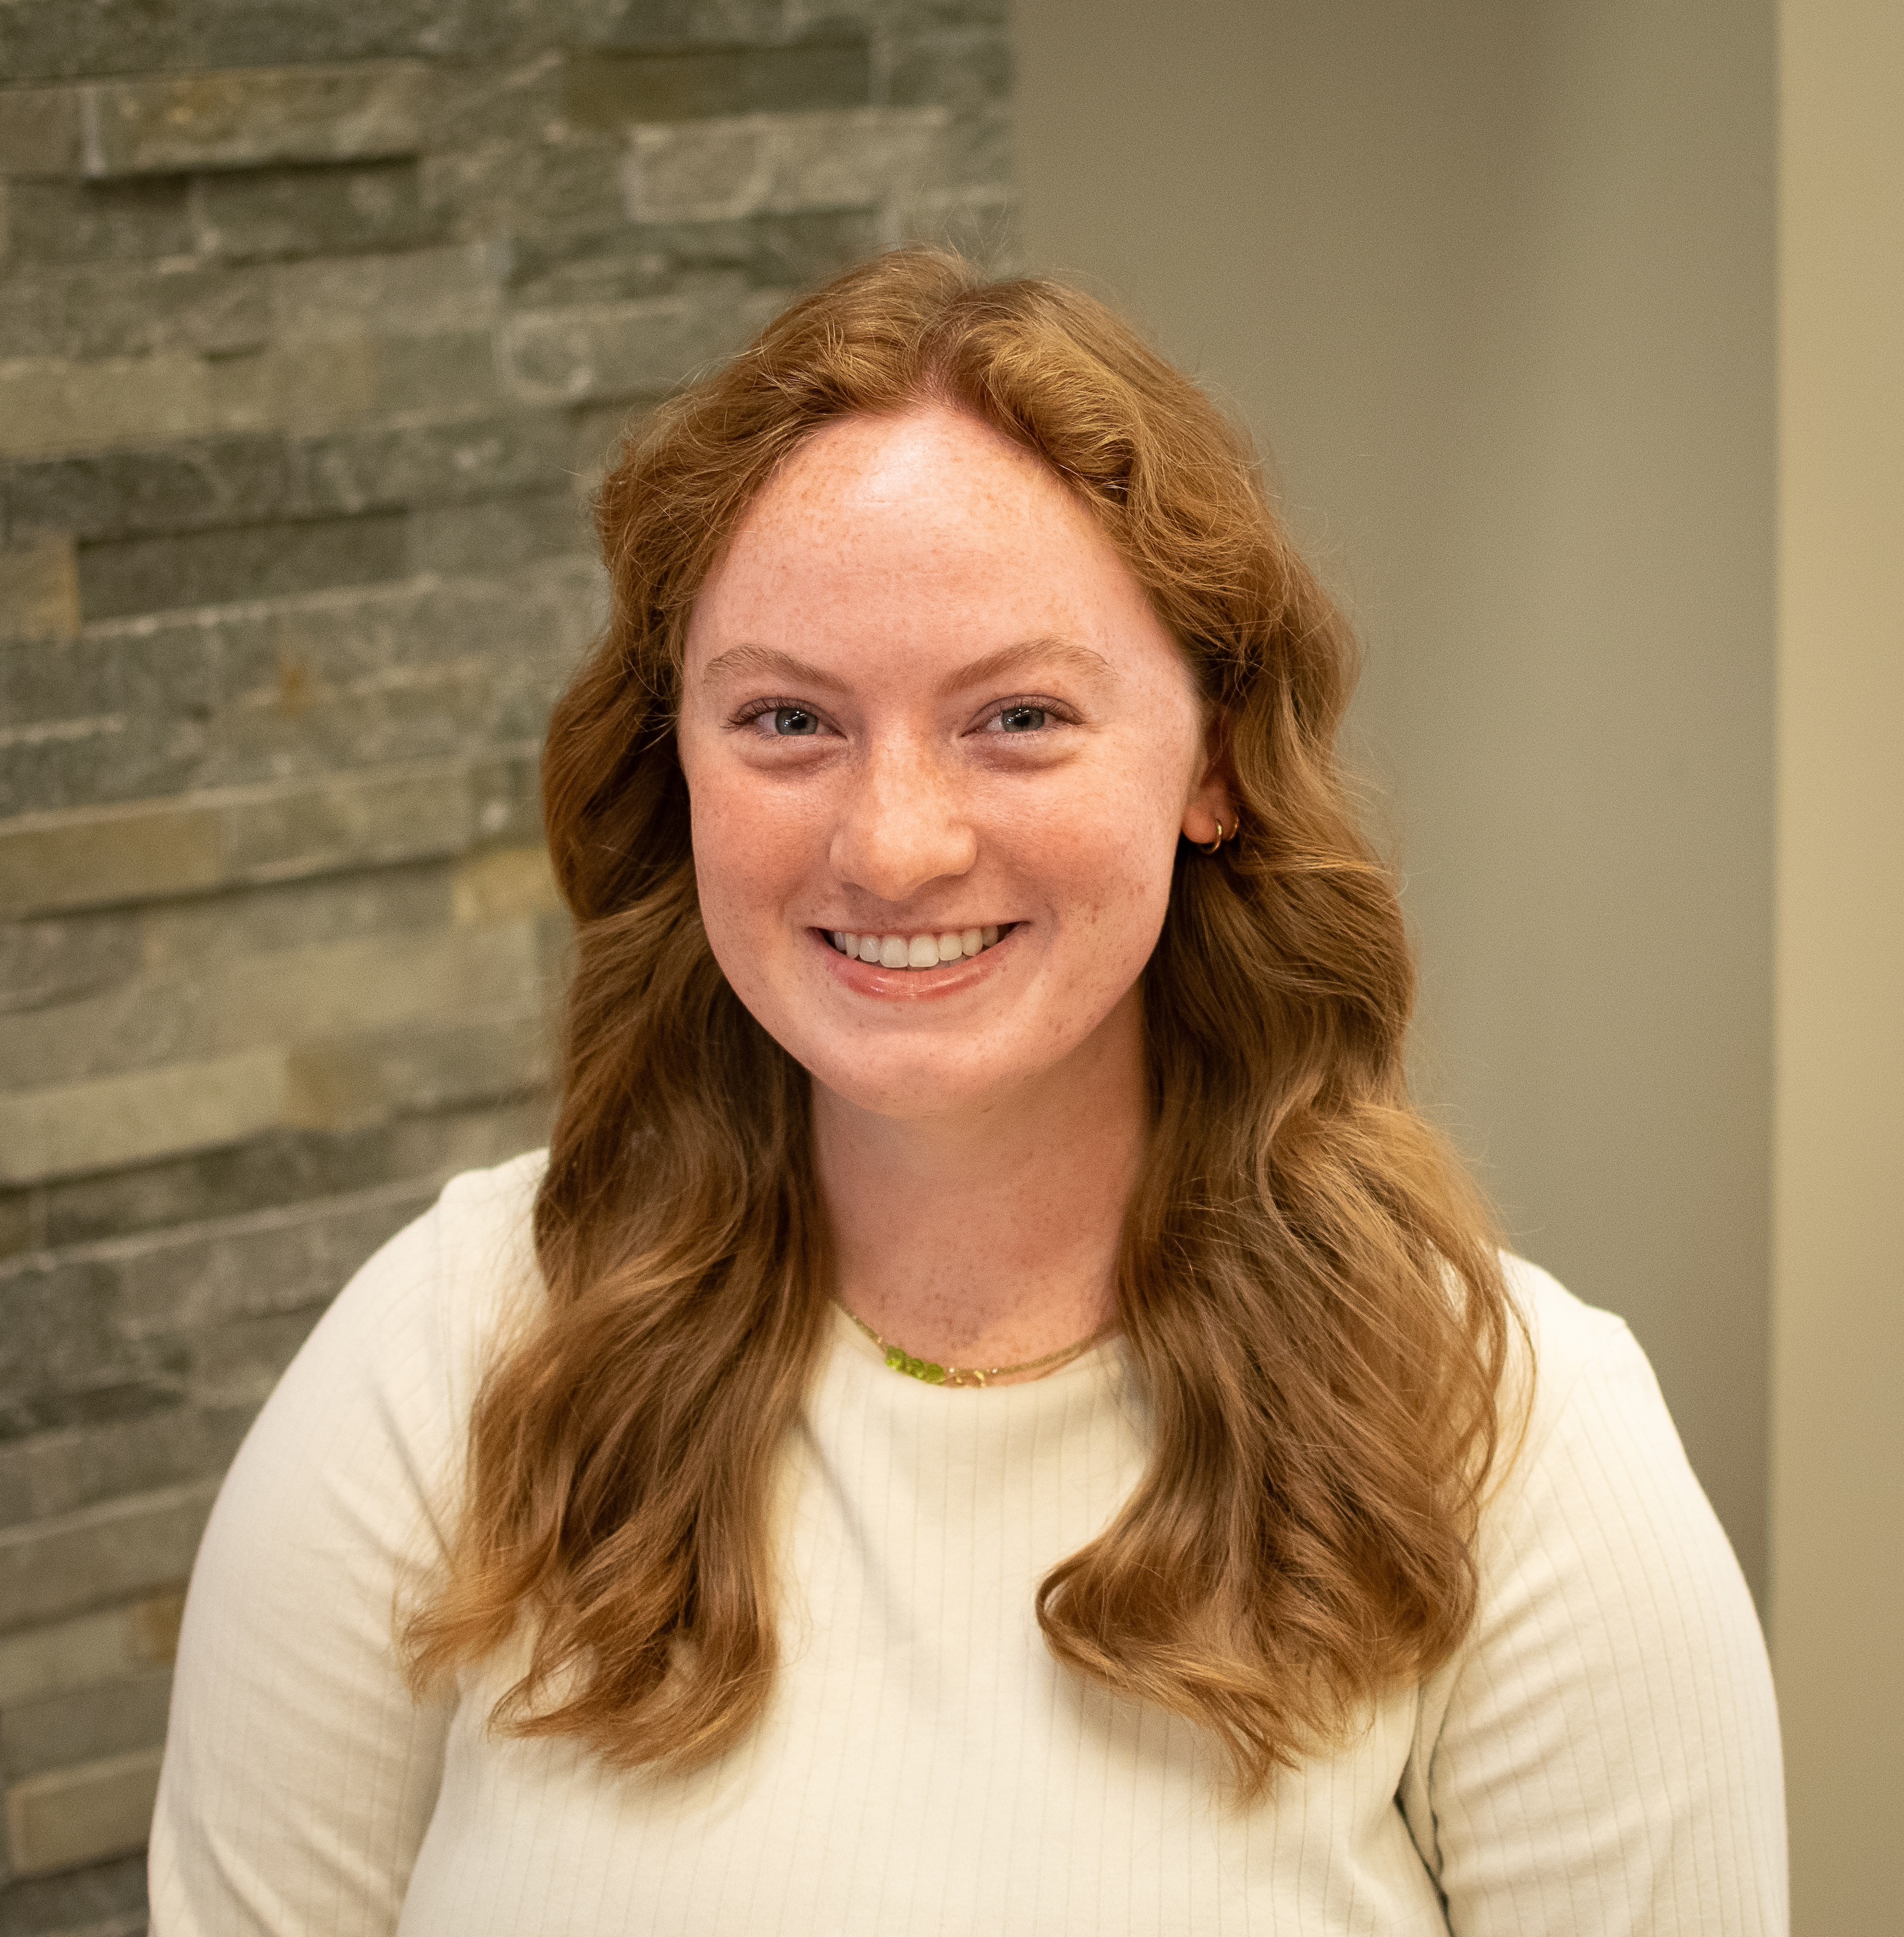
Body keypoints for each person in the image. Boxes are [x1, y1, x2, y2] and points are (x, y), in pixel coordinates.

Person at [149, 250, 1785, 1935]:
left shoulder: (1514, 1447)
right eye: (788, 718)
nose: (894, 843)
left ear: (1213, 758)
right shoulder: (447, 1360)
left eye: (1016, 716)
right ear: (677, 765)